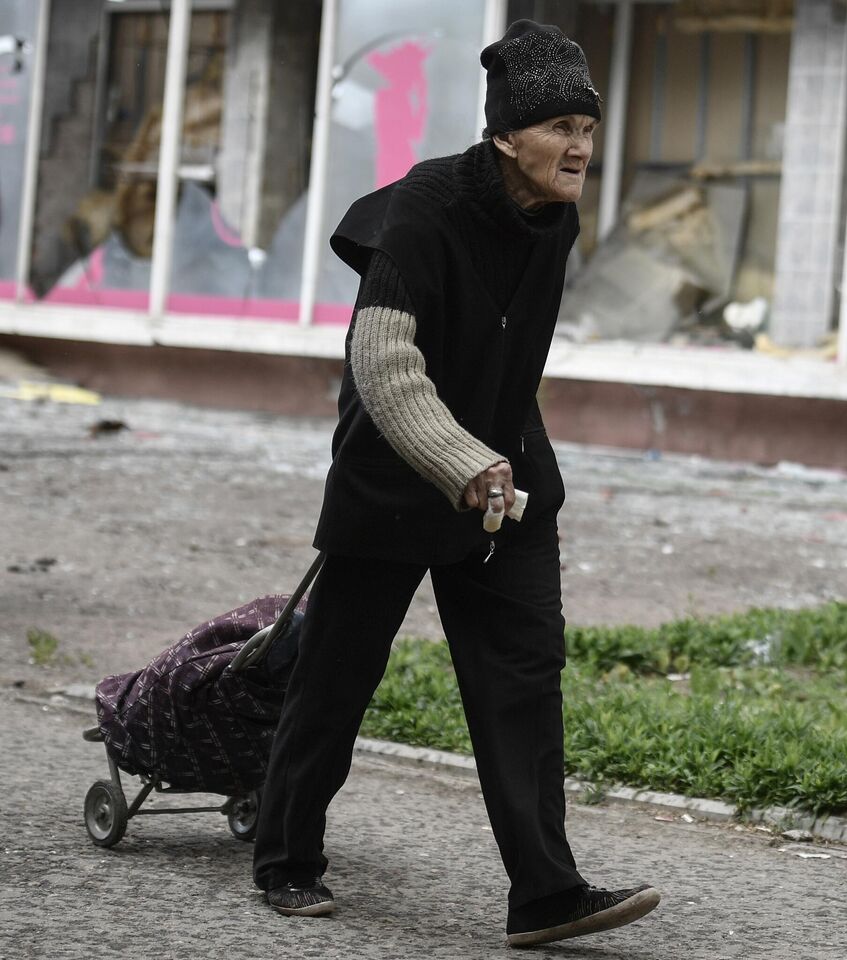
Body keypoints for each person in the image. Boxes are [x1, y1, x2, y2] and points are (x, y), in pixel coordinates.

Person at [251, 20, 661, 948]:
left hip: (507, 480)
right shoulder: (425, 206)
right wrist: (461, 459)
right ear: (506, 136)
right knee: (337, 679)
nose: (582, 146)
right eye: (560, 127)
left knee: (524, 676)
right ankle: (285, 858)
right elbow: (384, 364)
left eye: (588, 127)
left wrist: (503, 463)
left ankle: (546, 894)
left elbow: (507, 354)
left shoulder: (557, 217)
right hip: (396, 476)